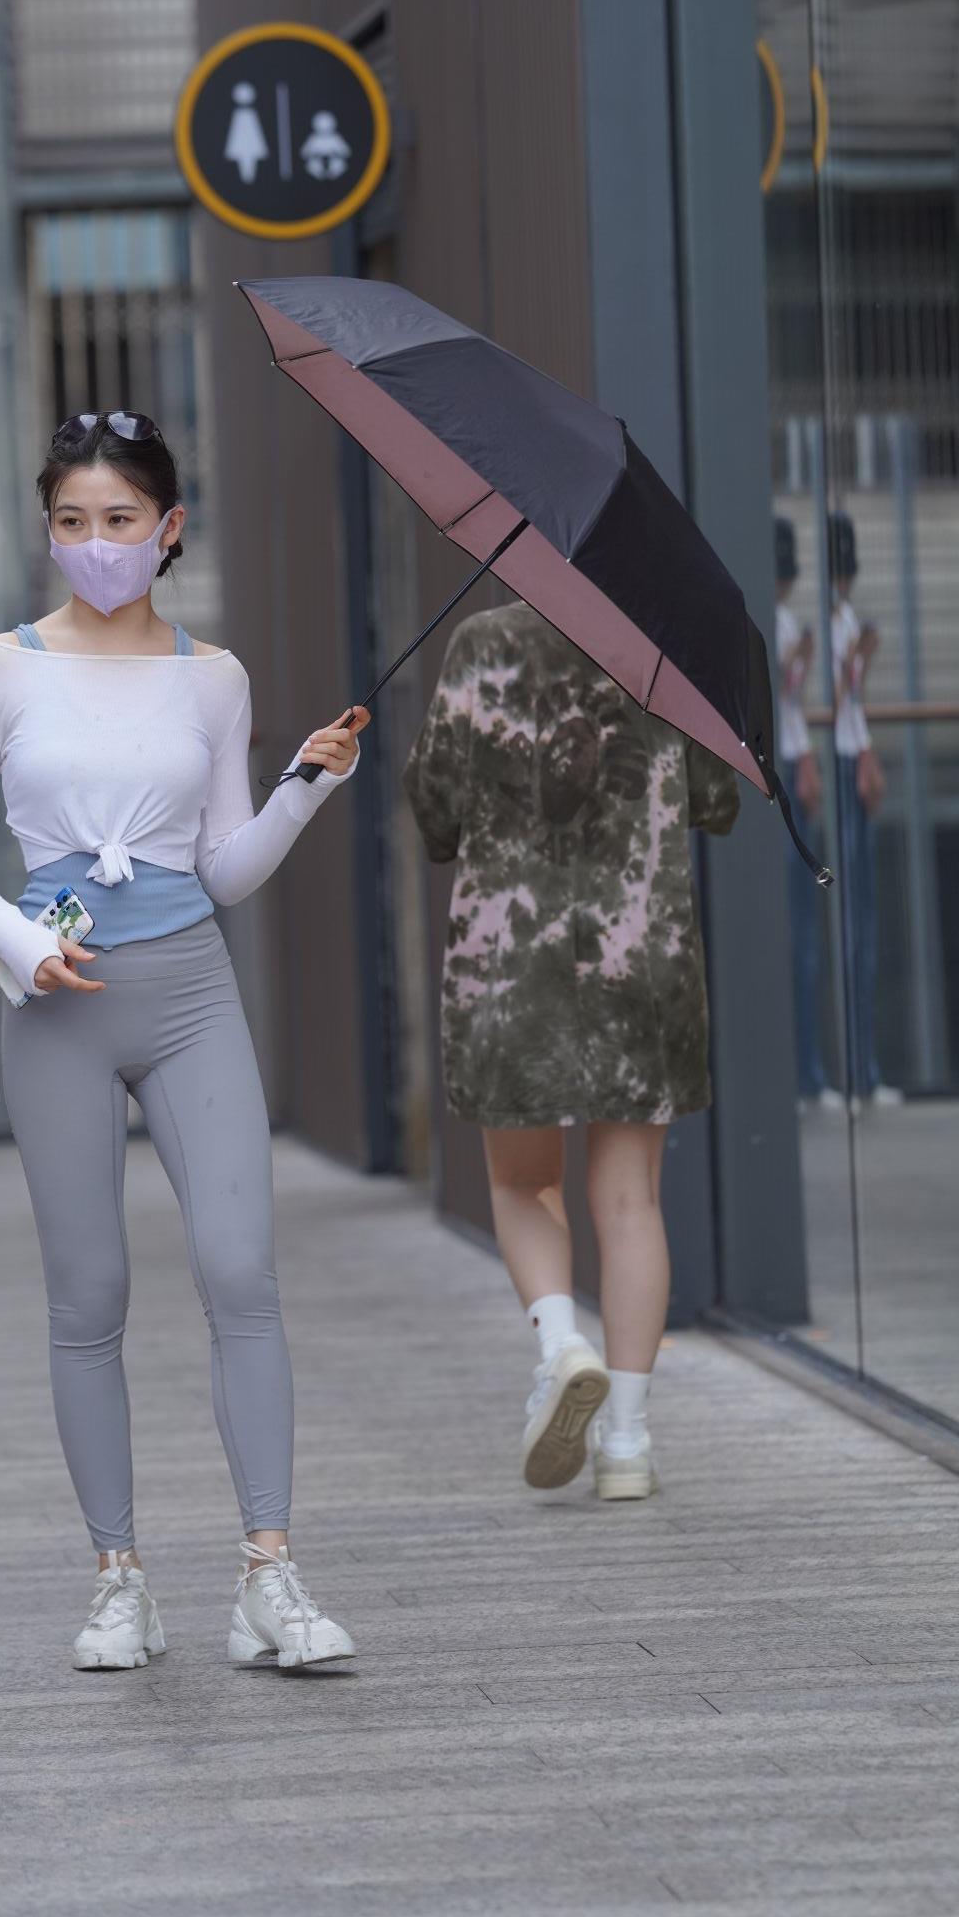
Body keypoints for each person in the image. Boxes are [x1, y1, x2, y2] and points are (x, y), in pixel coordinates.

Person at [0, 410, 368, 1671]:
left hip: (189, 994)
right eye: (73, 521)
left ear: (169, 529)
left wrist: (305, 788)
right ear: (49, 530)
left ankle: (269, 1576)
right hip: (56, 999)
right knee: (90, 1296)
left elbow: (222, 871)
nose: (97, 542)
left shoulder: (213, 677)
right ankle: (118, 1581)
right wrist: (18, 940)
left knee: (241, 1272)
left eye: (121, 520)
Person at [403, 603, 739, 1502]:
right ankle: (627, 1441)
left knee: (522, 1184)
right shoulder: (672, 638)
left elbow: (436, 812)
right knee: (630, 1200)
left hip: (511, 962)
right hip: (642, 957)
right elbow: (715, 798)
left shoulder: (484, 643)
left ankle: (561, 1348)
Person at [828, 511, 900, 1108]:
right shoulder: (829, 623)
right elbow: (835, 699)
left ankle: (864, 1069)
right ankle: (853, 1070)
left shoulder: (843, 618)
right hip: (838, 761)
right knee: (850, 926)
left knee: (864, 923)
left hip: (850, 757)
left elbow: (852, 701)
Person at [775, 519, 835, 1107]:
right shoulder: (772, 621)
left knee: (806, 930)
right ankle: (801, 1070)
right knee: (795, 931)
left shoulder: (787, 620)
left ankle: (811, 1070)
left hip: (794, 761)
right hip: (781, 767)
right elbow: (774, 697)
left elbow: (792, 702)